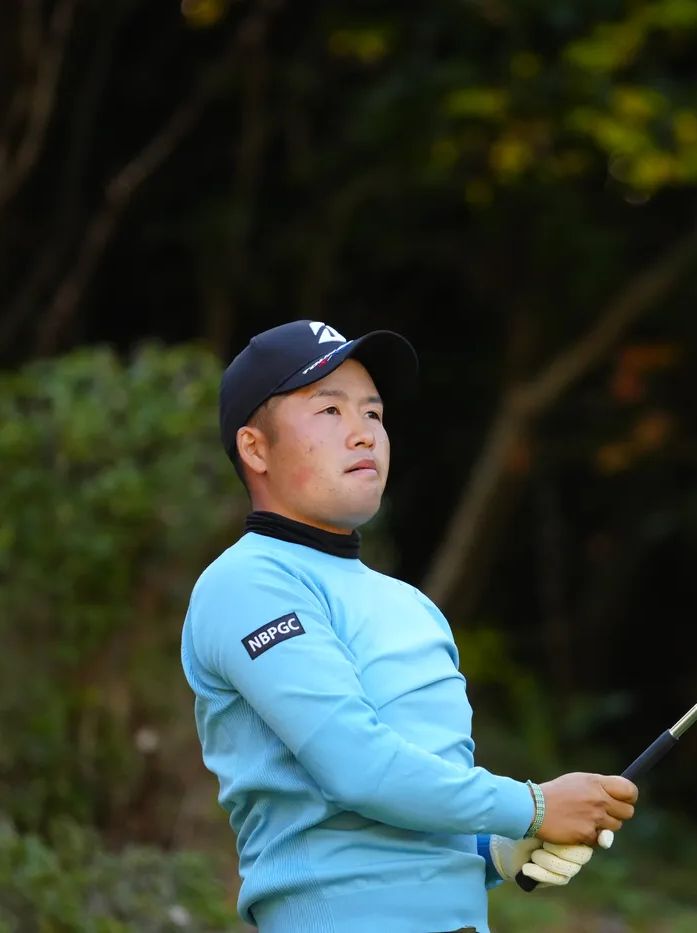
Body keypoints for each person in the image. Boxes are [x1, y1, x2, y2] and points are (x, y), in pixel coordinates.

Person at [180, 320, 640, 933]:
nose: (363, 433)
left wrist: (499, 850)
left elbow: (427, 802)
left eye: (373, 413)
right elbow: (358, 767)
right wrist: (533, 807)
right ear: (255, 448)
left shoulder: (412, 606)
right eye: (329, 410)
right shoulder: (246, 582)